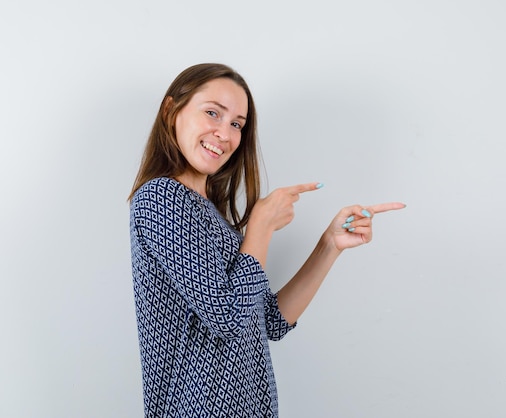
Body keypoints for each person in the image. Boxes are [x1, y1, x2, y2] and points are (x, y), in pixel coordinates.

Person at [128, 63, 405, 417]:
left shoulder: (212, 216)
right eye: (212, 112)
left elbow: (268, 321)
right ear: (171, 110)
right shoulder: (160, 197)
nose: (224, 134)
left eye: (236, 124)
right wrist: (260, 224)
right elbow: (228, 318)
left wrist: (329, 245)